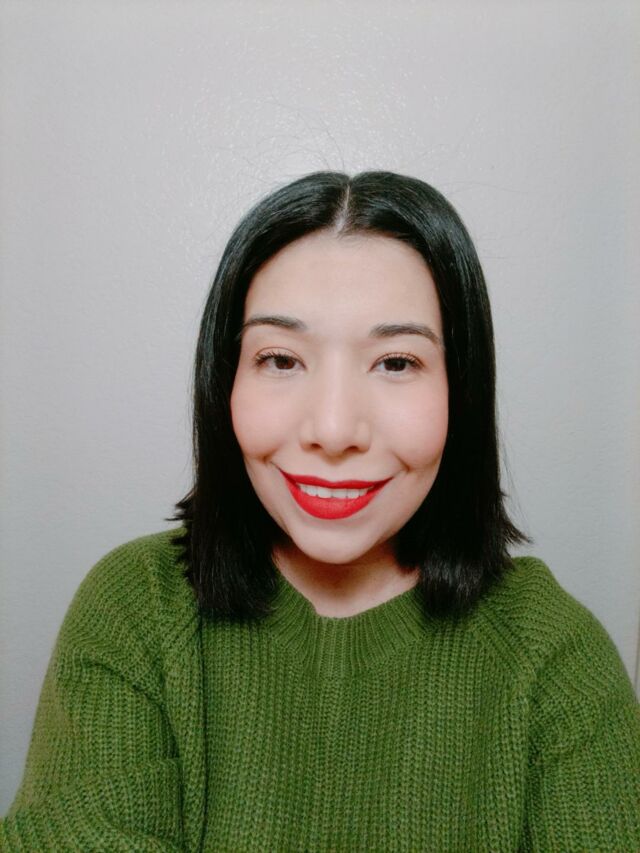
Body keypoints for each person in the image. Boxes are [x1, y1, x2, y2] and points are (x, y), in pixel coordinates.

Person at [1, 171, 638, 851]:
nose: (333, 430)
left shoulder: (555, 657)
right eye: (281, 359)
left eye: (396, 362)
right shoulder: (137, 612)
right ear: (225, 381)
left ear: (463, 390)